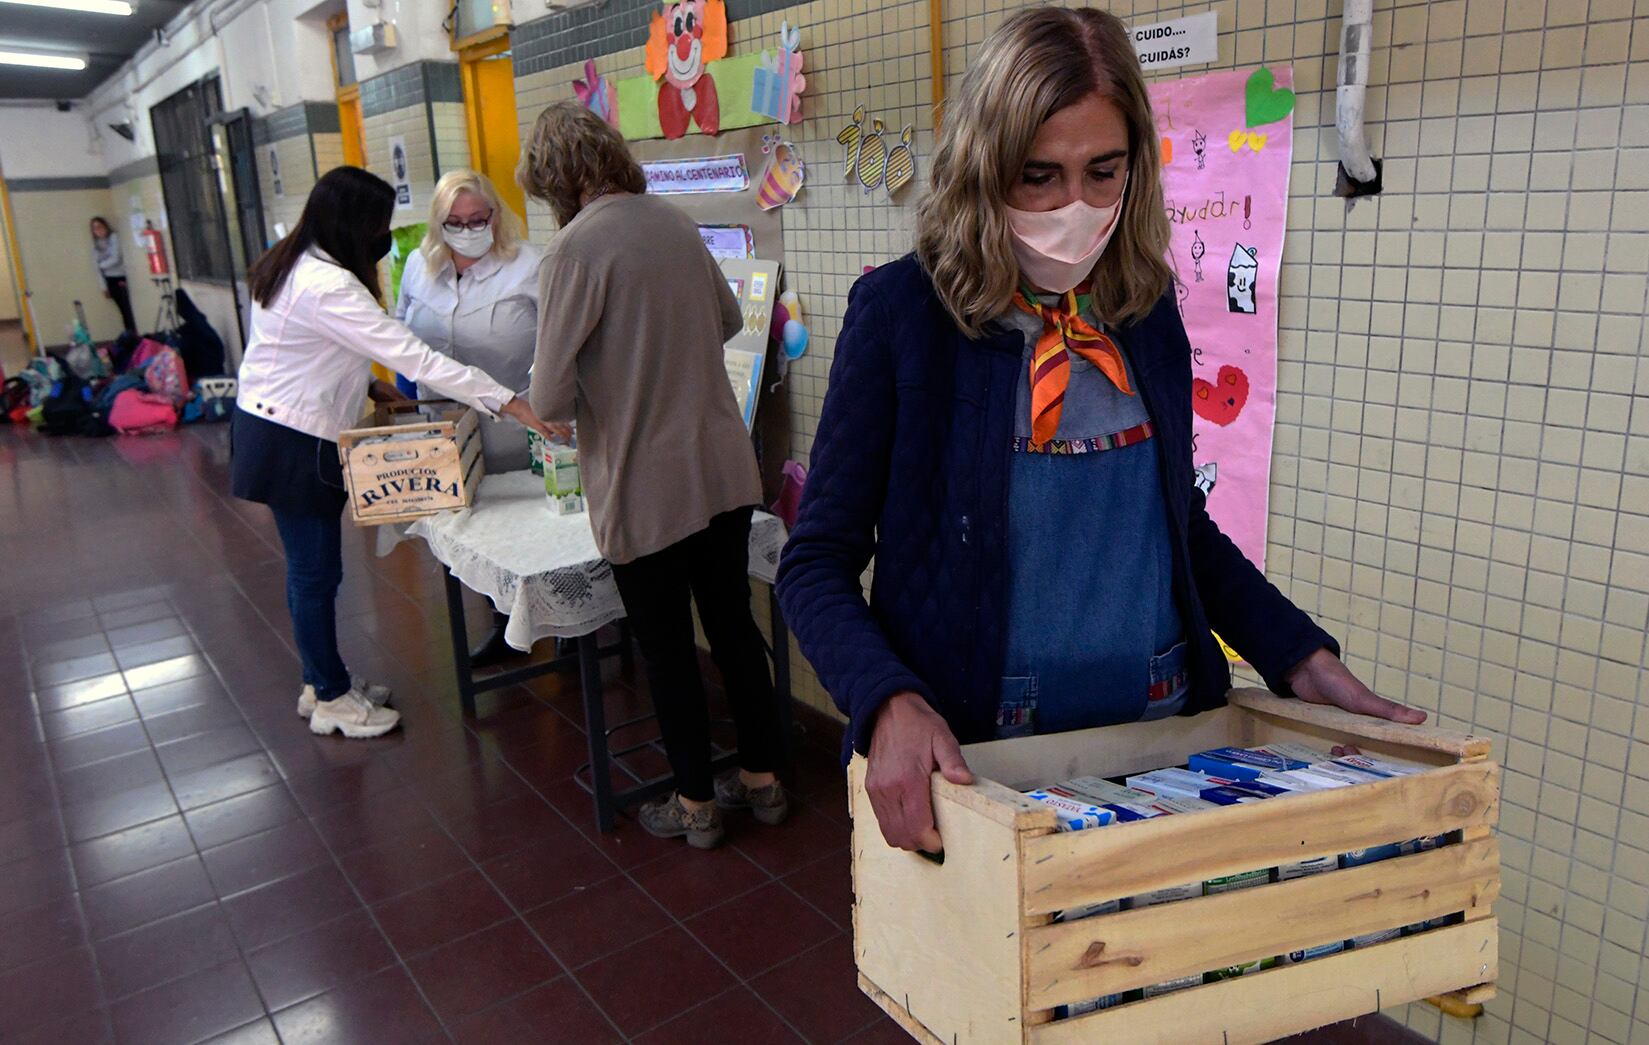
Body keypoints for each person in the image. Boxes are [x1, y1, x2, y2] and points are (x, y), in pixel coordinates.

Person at [775, 7, 1426, 854]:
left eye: (1101, 172)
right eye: (1036, 176)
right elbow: (815, 561)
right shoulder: (904, 318)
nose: (1072, 207)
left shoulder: (1143, 311)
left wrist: (1298, 654)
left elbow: (1177, 529)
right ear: (982, 166)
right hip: (980, 762)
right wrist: (885, 697)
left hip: (1161, 748)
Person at [520, 101, 786, 848]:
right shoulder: (670, 221)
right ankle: (763, 779)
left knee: (667, 645)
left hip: (643, 478)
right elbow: (731, 323)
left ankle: (696, 804)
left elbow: (548, 398)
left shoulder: (572, 250)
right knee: (732, 624)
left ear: (552, 180)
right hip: (719, 462)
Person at [233, 166, 557, 739]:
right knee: (314, 573)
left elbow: (302, 353)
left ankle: (321, 677)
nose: (384, 237)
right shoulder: (329, 284)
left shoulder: (297, 260)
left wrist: (364, 385)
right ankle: (329, 696)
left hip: (275, 428)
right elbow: (418, 359)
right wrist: (511, 402)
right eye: (379, 224)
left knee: (314, 571)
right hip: (293, 441)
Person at [397, 169, 543, 667]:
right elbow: (400, 333)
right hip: (443, 426)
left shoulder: (529, 265)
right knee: (469, 535)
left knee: (526, 529)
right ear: (437, 224)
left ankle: (560, 625)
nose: (467, 229)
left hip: (517, 424)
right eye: (454, 222)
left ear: (495, 217)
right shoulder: (419, 266)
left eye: (477, 219)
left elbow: (564, 341)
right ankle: (502, 628)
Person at [90, 217, 137, 334]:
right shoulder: (96, 246)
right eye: (95, 228)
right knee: (122, 310)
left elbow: (116, 258)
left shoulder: (113, 238)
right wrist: (103, 288)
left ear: (105, 226)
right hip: (109, 280)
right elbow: (97, 268)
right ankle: (129, 335)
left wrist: (102, 265)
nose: (98, 230)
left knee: (128, 309)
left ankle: (134, 334)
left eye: (100, 226)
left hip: (120, 276)